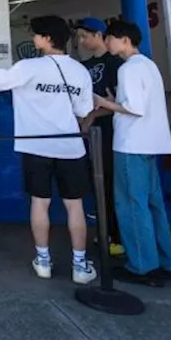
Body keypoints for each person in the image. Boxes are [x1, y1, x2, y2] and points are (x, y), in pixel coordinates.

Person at [0, 16, 98, 284]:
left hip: (35, 145)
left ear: (48, 39)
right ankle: (80, 266)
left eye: (36, 34)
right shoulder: (79, 71)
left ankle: (43, 261)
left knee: (40, 202)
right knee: (75, 206)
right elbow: (84, 110)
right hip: (70, 146)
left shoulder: (29, 67)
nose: (33, 38)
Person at [92, 20, 171, 287]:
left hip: (131, 144)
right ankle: (164, 262)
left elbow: (134, 107)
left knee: (130, 204)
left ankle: (142, 266)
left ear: (125, 40)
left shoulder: (128, 68)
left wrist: (105, 102)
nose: (107, 43)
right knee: (153, 205)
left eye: (110, 38)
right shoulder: (148, 65)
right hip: (152, 143)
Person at [74, 17, 125, 259]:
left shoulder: (117, 64)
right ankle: (105, 231)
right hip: (88, 132)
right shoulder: (85, 65)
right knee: (97, 184)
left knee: (111, 184)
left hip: (110, 132)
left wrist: (94, 116)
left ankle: (116, 236)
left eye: (85, 36)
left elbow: (119, 102)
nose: (81, 41)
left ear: (99, 34)